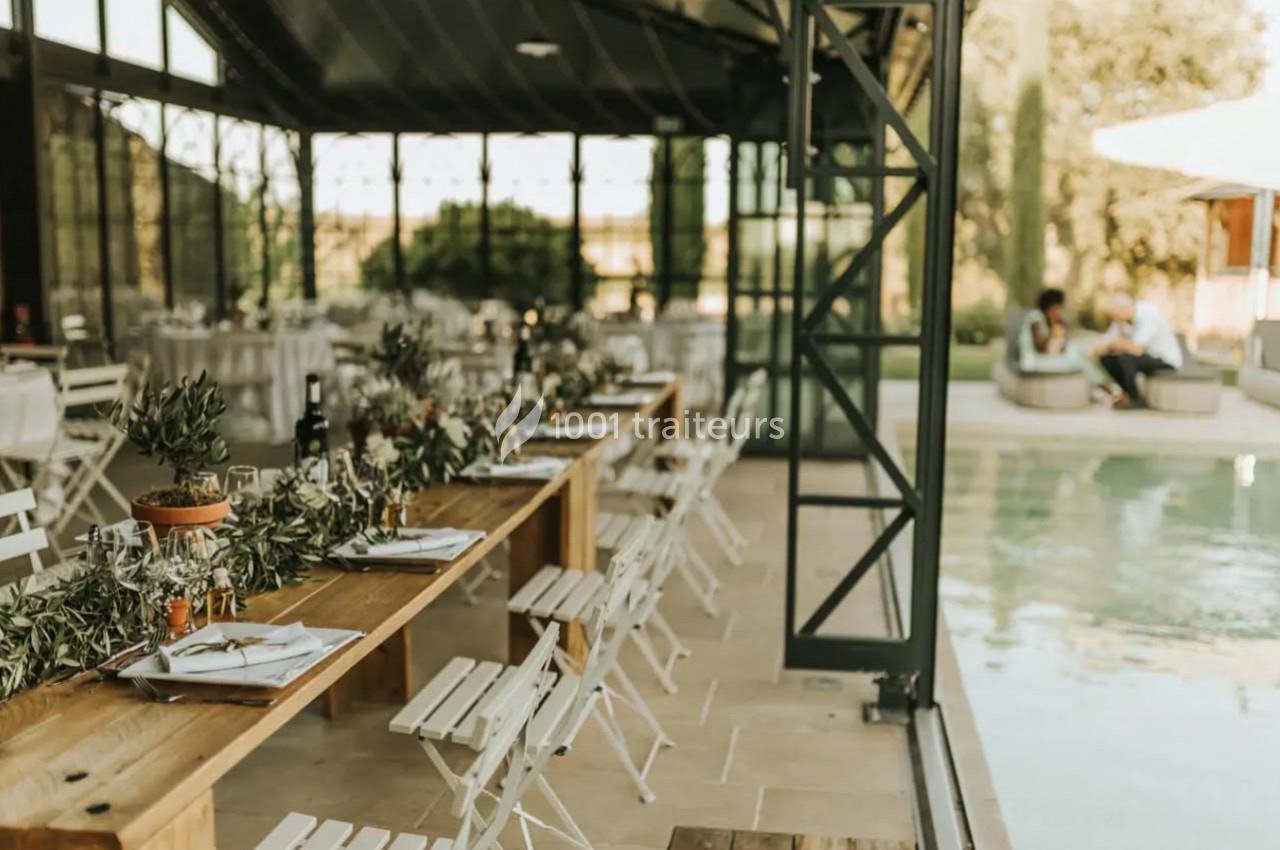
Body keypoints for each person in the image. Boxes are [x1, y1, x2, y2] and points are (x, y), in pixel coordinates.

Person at [1088, 292, 1182, 410]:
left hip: (1164, 359)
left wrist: (1113, 345)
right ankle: (1127, 394)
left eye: (1114, 314)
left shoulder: (1148, 313)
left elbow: (1136, 349)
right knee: (1107, 359)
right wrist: (1101, 348)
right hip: (1144, 357)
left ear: (1123, 309)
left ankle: (1135, 399)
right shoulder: (1121, 320)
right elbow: (1105, 343)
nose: (1113, 318)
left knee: (1126, 358)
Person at [1018, 288, 1086, 373]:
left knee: (1077, 348)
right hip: (1032, 360)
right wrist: (1053, 330)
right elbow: (1041, 347)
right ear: (1047, 308)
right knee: (1077, 359)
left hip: (1045, 358)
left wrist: (1062, 332)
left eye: (1060, 308)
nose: (1058, 312)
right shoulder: (1035, 317)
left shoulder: (1050, 321)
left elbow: (1061, 347)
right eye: (1056, 308)